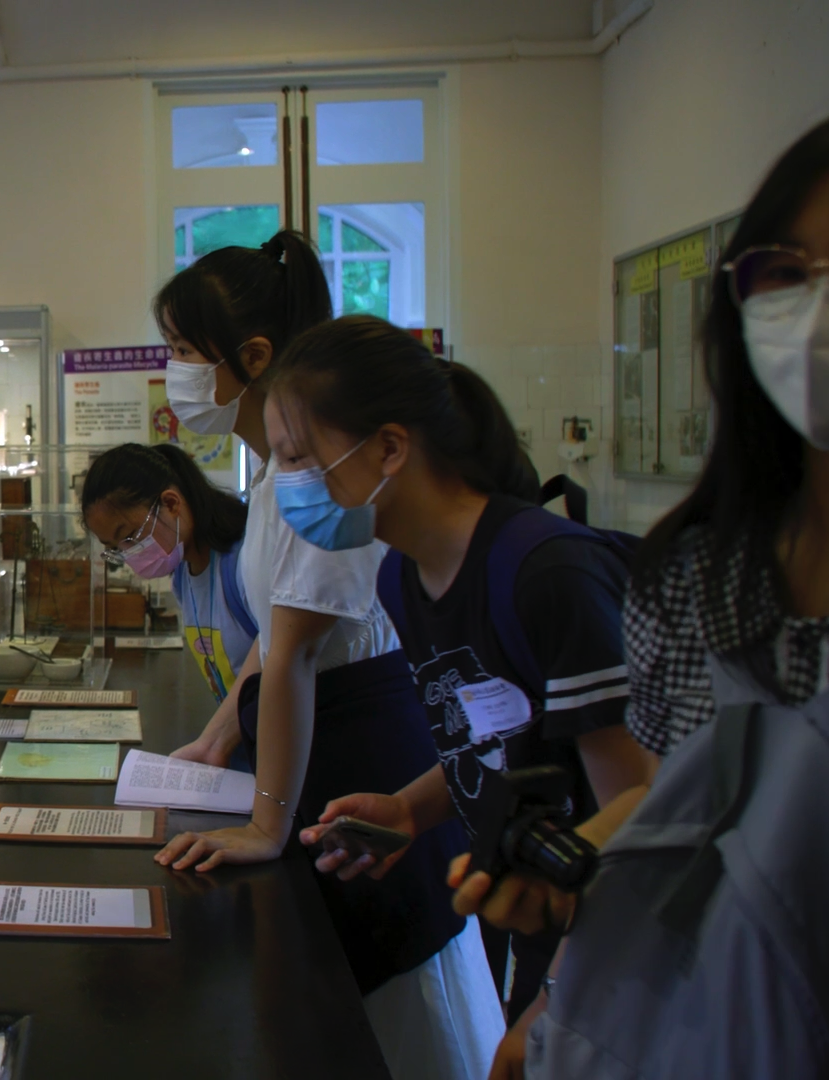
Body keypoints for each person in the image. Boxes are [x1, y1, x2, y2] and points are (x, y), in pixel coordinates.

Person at [455, 108, 829, 1080]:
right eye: (786, 273)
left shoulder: (553, 565)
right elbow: (687, 806)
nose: (819, 312)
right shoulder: (698, 577)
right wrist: (570, 873)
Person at [153, 235, 503, 1079]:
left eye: (183, 349)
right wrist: (216, 740)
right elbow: (271, 646)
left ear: (252, 356)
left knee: (403, 1021)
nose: (173, 372)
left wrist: (266, 824)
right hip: (324, 758)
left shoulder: (317, 487)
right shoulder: (276, 480)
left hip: (362, 757)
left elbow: (295, 658)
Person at [265, 317, 657, 1049]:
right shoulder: (402, 578)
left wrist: (552, 1006)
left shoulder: (549, 573)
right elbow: (497, 739)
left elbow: (643, 806)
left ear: (390, 446)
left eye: (298, 458)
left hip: (623, 938)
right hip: (546, 926)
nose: (289, 487)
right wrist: (408, 810)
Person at [80, 442, 251, 701]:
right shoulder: (183, 576)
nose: (128, 554)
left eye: (129, 536)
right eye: (115, 548)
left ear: (171, 504)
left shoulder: (242, 562)